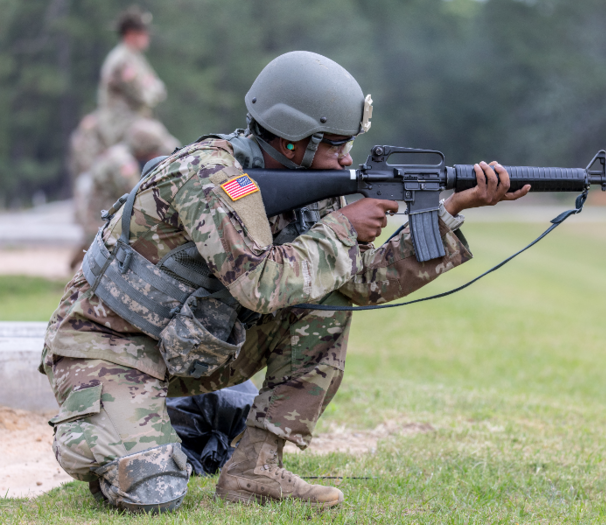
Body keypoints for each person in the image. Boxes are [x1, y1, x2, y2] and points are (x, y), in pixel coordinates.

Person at [41, 51, 530, 513]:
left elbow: (359, 283)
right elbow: (260, 285)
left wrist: (452, 211)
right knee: (153, 490)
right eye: (336, 144)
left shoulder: (307, 186)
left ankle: (256, 468)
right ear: (295, 139)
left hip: (190, 345)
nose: (345, 159)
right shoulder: (209, 177)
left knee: (329, 299)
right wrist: (343, 229)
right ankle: (104, 433)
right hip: (107, 347)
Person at [71, 118, 179, 269]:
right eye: (154, 150)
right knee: (99, 255)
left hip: (102, 211)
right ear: (143, 147)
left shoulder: (124, 151)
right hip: (98, 215)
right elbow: (139, 194)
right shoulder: (121, 162)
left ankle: (77, 260)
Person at [96, 5, 167, 147]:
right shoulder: (122, 61)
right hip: (120, 126)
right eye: (143, 33)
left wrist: (151, 88)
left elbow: (160, 90)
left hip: (134, 122)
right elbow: (143, 96)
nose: (147, 37)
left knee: (169, 143)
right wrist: (150, 88)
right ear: (130, 34)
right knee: (165, 145)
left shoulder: (136, 58)